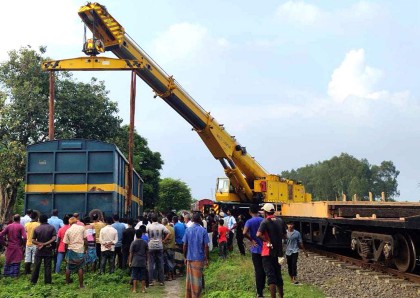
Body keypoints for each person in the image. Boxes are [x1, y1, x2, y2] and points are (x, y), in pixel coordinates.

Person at [257, 203, 285, 298]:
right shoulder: (280, 221)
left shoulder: (265, 222)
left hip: (267, 252)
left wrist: (267, 240)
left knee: (271, 277)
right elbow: (284, 235)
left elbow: (258, 234)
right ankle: (281, 296)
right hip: (279, 252)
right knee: (278, 275)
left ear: (265, 212)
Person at [183, 213, 209, 298]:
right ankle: (197, 296)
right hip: (199, 258)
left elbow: (185, 245)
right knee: (197, 280)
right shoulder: (203, 231)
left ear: (192, 220)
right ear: (200, 220)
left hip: (190, 258)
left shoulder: (188, 230)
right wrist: (206, 258)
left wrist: (185, 256)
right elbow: (206, 246)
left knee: (189, 280)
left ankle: (189, 295)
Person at [243, 205, 266, 298]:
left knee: (258, 270)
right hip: (264, 249)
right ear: (258, 211)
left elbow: (244, 233)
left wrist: (251, 240)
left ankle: (259, 293)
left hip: (255, 249)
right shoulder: (263, 220)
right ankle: (263, 287)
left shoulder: (249, 221)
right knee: (264, 270)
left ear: (249, 211)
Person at [31, 214, 56, 285]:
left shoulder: (37, 228)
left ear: (39, 220)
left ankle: (33, 281)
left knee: (36, 266)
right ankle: (48, 282)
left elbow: (33, 240)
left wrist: (40, 244)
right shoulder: (52, 228)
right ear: (47, 220)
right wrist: (45, 244)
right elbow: (54, 238)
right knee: (48, 266)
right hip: (48, 250)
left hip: (39, 250)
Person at [63, 217, 87, 288]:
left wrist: (66, 252)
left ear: (69, 223)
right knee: (80, 268)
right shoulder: (82, 228)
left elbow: (66, 243)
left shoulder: (68, 230)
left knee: (68, 267)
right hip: (80, 250)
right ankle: (81, 285)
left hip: (71, 250)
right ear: (76, 222)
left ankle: (67, 283)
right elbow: (85, 240)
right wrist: (86, 248)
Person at [147, 214, 170, 286]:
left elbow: (144, 233)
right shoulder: (161, 226)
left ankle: (150, 281)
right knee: (160, 263)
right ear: (157, 219)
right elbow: (169, 233)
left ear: (151, 219)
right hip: (160, 246)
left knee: (151, 264)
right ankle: (161, 281)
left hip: (151, 246)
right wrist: (163, 240)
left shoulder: (148, 226)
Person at [129, 229, 149, 293]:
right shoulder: (145, 242)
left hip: (135, 261)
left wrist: (130, 261)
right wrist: (147, 260)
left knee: (134, 275)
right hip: (142, 261)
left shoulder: (133, 242)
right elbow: (147, 253)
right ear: (141, 235)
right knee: (143, 276)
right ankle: (143, 289)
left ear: (136, 235)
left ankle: (134, 289)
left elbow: (131, 253)